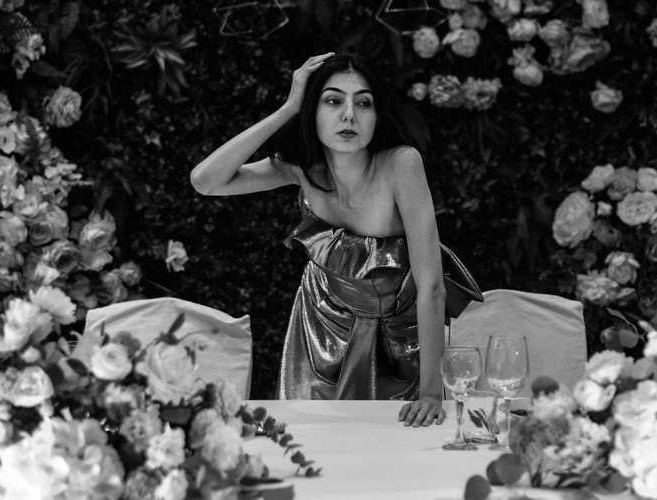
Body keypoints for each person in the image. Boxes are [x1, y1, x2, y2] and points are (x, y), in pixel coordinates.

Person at [191, 52, 481, 427]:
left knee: (399, 440)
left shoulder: (401, 163)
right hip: (320, 330)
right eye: (332, 101)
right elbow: (206, 181)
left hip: (396, 338)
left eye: (363, 103)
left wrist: (431, 393)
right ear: (312, 112)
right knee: (313, 437)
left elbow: (432, 287)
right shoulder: (302, 168)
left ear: (377, 116)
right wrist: (287, 109)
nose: (348, 115)